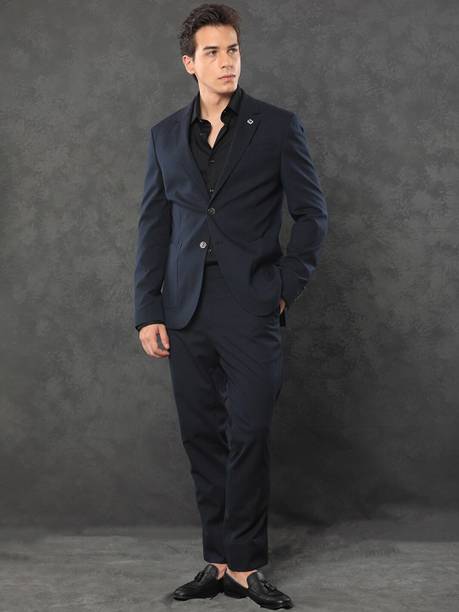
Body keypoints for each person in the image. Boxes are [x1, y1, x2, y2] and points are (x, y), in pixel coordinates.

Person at [134, 3, 328, 609]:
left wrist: (283, 287)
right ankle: (217, 562)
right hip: (184, 308)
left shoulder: (278, 127)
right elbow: (154, 227)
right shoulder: (165, 136)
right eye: (213, 52)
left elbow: (312, 216)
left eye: (234, 50)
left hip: (251, 305)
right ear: (189, 63)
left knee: (249, 432)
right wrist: (148, 309)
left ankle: (246, 566)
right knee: (202, 436)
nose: (227, 62)